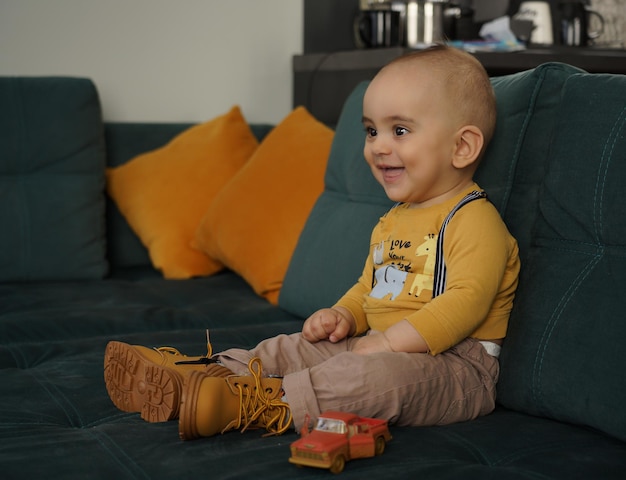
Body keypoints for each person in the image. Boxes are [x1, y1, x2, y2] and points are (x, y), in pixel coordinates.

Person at [104, 45, 520, 440]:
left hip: (455, 367)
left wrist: (389, 345)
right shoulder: (393, 221)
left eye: (399, 129)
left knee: (370, 381)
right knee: (294, 347)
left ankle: (256, 404)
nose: (378, 146)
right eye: (371, 131)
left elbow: (465, 302)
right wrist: (344, 315)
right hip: (376, 342)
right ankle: (203, 374)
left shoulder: (475, 219)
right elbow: (371, 289)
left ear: (462, 147)